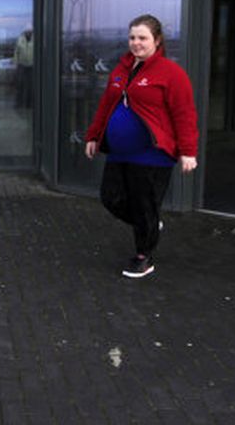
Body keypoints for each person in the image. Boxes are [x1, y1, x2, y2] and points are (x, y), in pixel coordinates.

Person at [84, 14, 198, 279]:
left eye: (143, 38)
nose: (136, 43)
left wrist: (188, 151)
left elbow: (185, 114)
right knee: (110, 198)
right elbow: (106, 106)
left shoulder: (171, 73)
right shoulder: (121, 70)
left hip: (152, 155)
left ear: (157, 41)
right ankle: (149, 225)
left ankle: (143, 257)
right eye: (132, 37)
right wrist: (93, 136)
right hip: (120, 152)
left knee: (144, 204)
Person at [13, 26, 34, 109]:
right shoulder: (20, 39)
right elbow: (16, 52)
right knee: (20, 85)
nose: (28, 32)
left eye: (30, 31)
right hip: (21, 65)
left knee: (31, 86)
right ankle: (19, 103)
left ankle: (29, 104)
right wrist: (15, 64)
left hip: (32, 65)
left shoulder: (36, 39)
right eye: (27, 31)